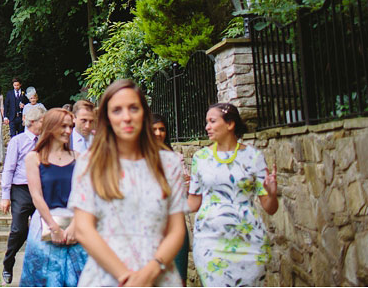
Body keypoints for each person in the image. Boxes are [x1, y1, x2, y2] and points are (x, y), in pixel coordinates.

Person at [65, 79, 187, 287]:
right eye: (117, 110)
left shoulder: (169, 163)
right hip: (106, 276)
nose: (127, 117)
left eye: (133, 108)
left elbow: (176, 229)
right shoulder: (90, 163)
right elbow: (84, 228)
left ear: (144, 114)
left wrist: (149, 272)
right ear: (107, 118)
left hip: (159, 275)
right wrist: (125, 277)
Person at [188, 103, 278, 287]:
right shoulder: (200, 159)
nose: (207, 127)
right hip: (210, 243)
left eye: (212, 121)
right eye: (207, 122)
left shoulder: (254, 157)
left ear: (230, 124)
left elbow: (270, 208)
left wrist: (272, 194)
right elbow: (192, 204)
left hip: (249, 242)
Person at [20, 108, 89, 287]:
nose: (68, 131)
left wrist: (75, 226)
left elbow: (85, 195)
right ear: (50, 127)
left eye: (70, 126)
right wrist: (54, 228)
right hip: (45, 223)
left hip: (76, 226)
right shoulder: (33, 158)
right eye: (63, 126)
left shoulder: (79, 158)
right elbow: (36, 195)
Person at [0, 104, 47, 284]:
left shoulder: (45, 142)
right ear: (33, 122)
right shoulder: (17, 141)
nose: (45, 124)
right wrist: (5, 196)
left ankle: (39, 270)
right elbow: (8, 168)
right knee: (19, 229)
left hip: (41, 190)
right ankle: (8, 263)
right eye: (43, 121)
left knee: (42, 231)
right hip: (20, 189)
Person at [150, 113, 190, 286]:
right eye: (154, 129)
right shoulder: (137, 159)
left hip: (175, 225)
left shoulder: (175, 158)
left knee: (179, 279)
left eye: (162, 129)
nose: (159, 133)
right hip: (151, 228)